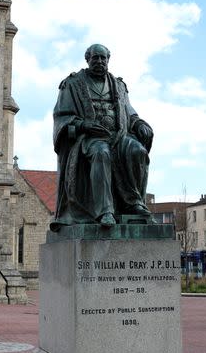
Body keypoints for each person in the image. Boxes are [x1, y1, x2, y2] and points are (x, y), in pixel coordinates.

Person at [51, 43, 154, 230]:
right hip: (89, 138)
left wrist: (139, 124)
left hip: (119, 135)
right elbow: (62, 116)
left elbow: (129, 113)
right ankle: (105, 211)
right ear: (87, 59)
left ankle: (134, 202)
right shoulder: (72, 84)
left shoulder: (119, 85)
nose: (99, 61)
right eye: (95, 58)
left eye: (103, 58)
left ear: (108, 60)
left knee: (137, 150)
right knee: (101, 153)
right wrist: (84, 125)